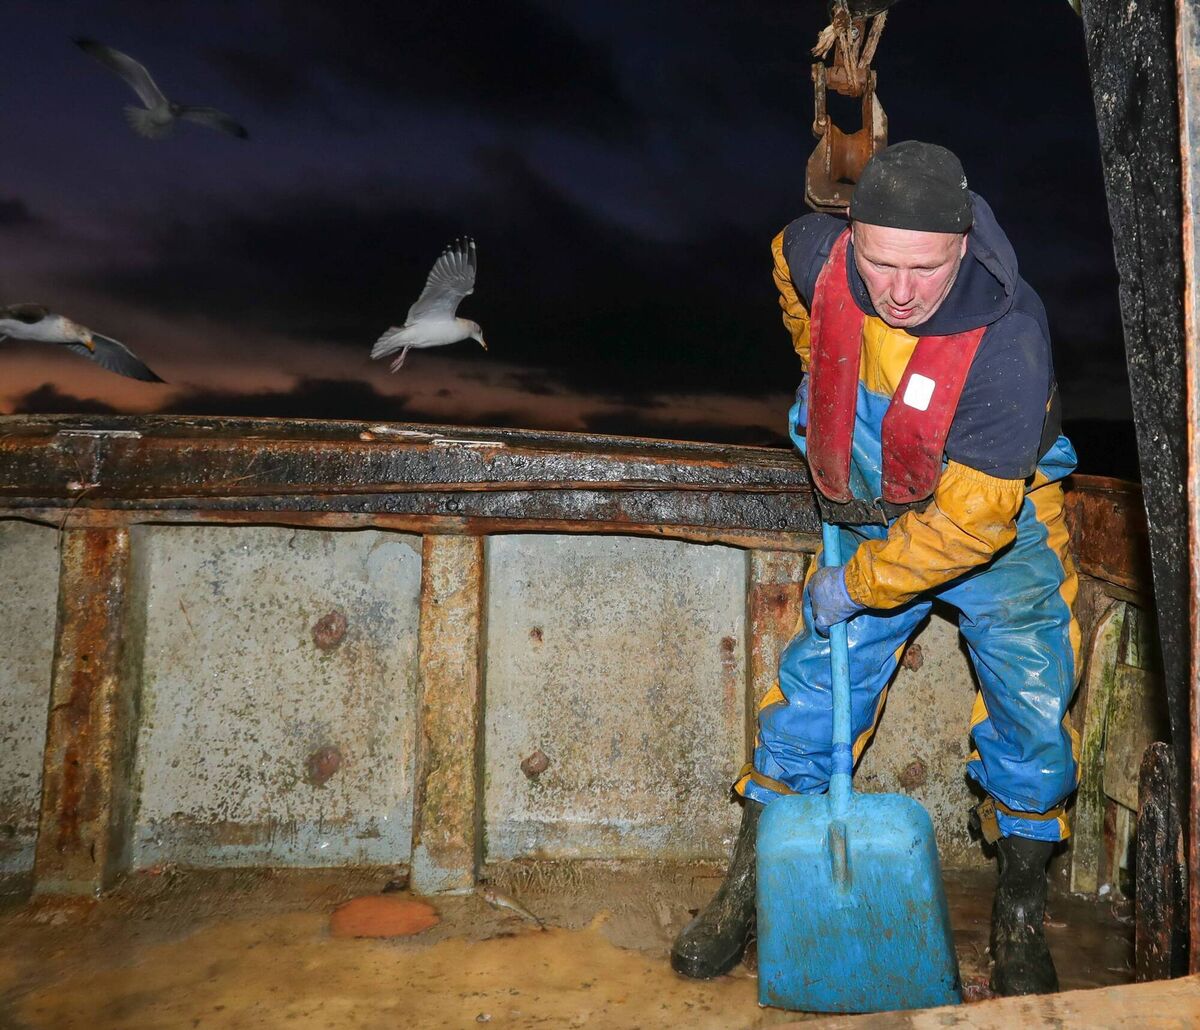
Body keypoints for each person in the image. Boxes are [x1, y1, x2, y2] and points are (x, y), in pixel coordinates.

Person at [671, 141, 1079, 997]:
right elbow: (792, 277)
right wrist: (823, 365)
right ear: (851, 237)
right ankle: (748, 890)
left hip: (995, 518)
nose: (898, 290)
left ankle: (1018, 916)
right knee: (814, 695)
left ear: (962, 246)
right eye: (879, 263)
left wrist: (853, 586)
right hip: (870, 495)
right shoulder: (814, 252)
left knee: (1033, 704)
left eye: (923, 269)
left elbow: (971, 527)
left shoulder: (1010, 339)